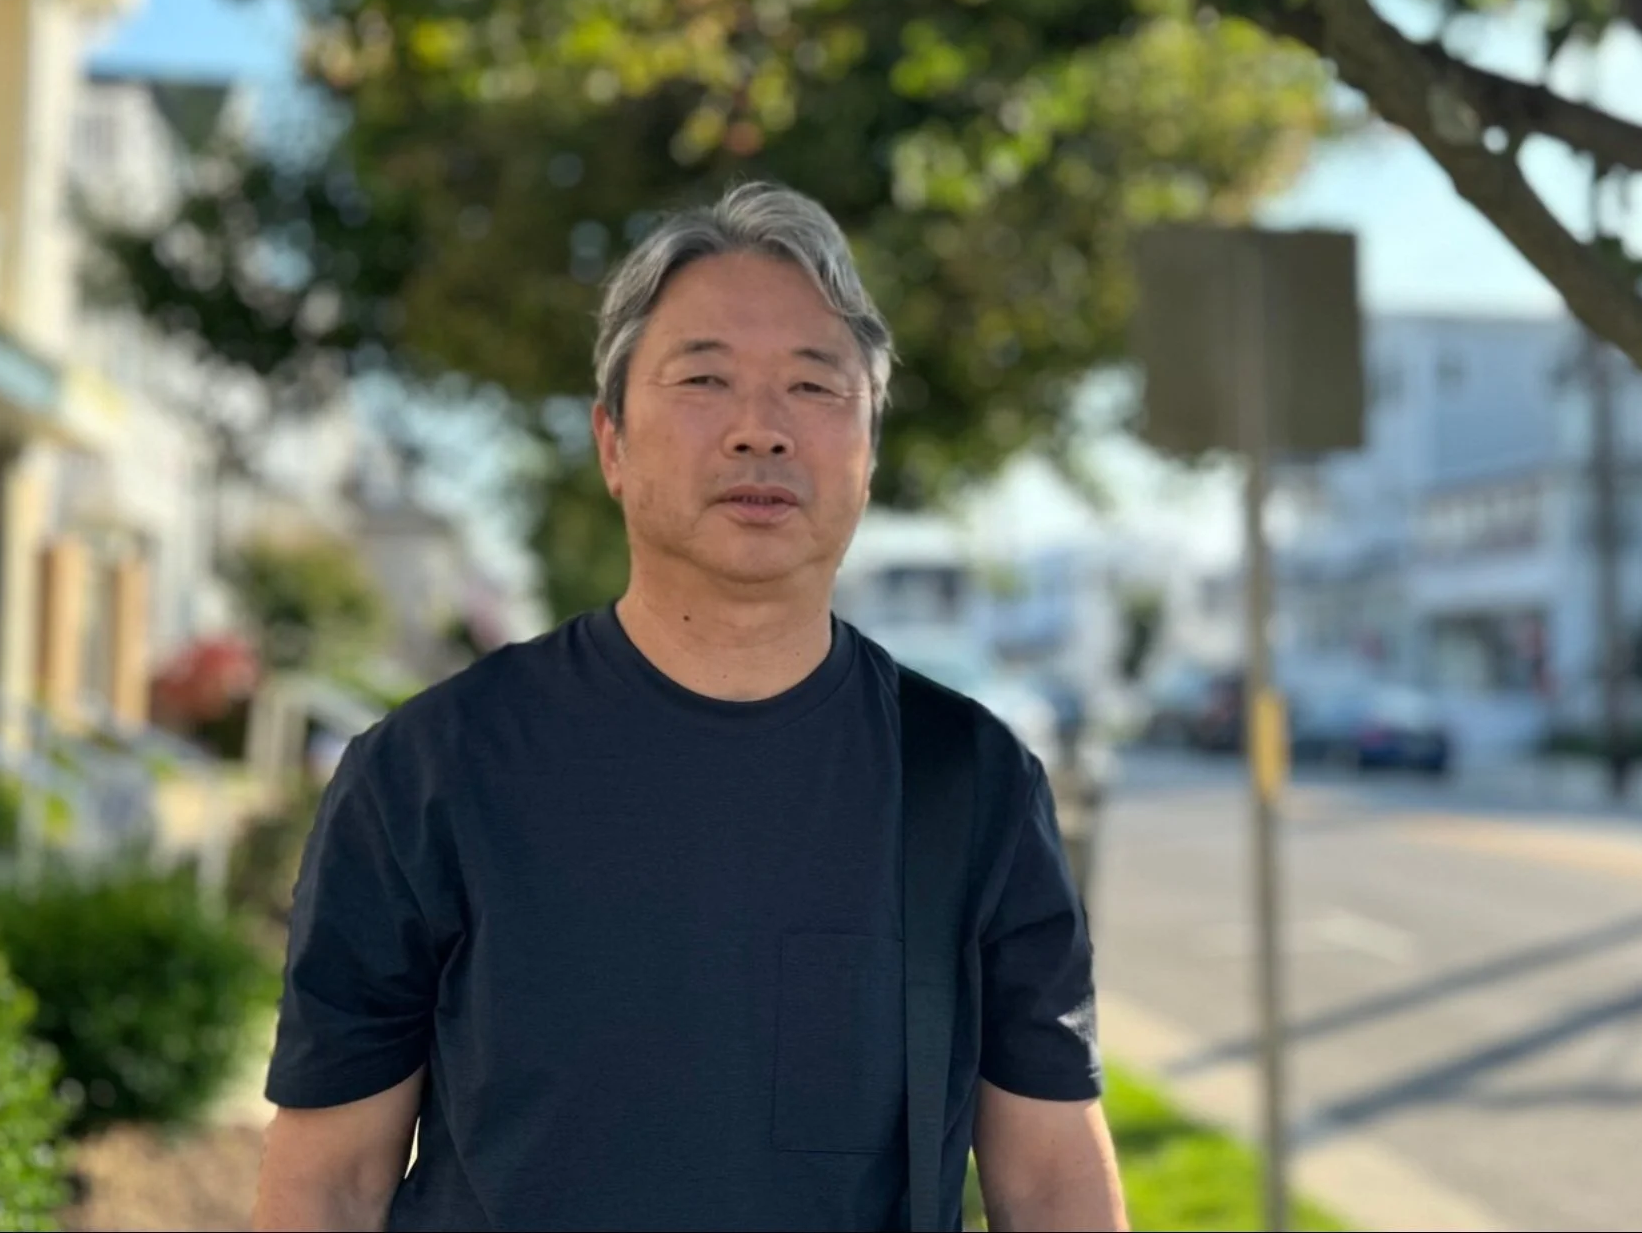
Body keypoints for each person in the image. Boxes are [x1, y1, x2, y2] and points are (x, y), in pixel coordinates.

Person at [251, 182, 1126, 1232]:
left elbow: (1050, 1177)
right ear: (611, 442)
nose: (759, 430)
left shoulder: (968, 780)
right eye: (704, 378)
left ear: (867, 451)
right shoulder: (431, 769)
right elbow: (328, 1183)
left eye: (814, 386)